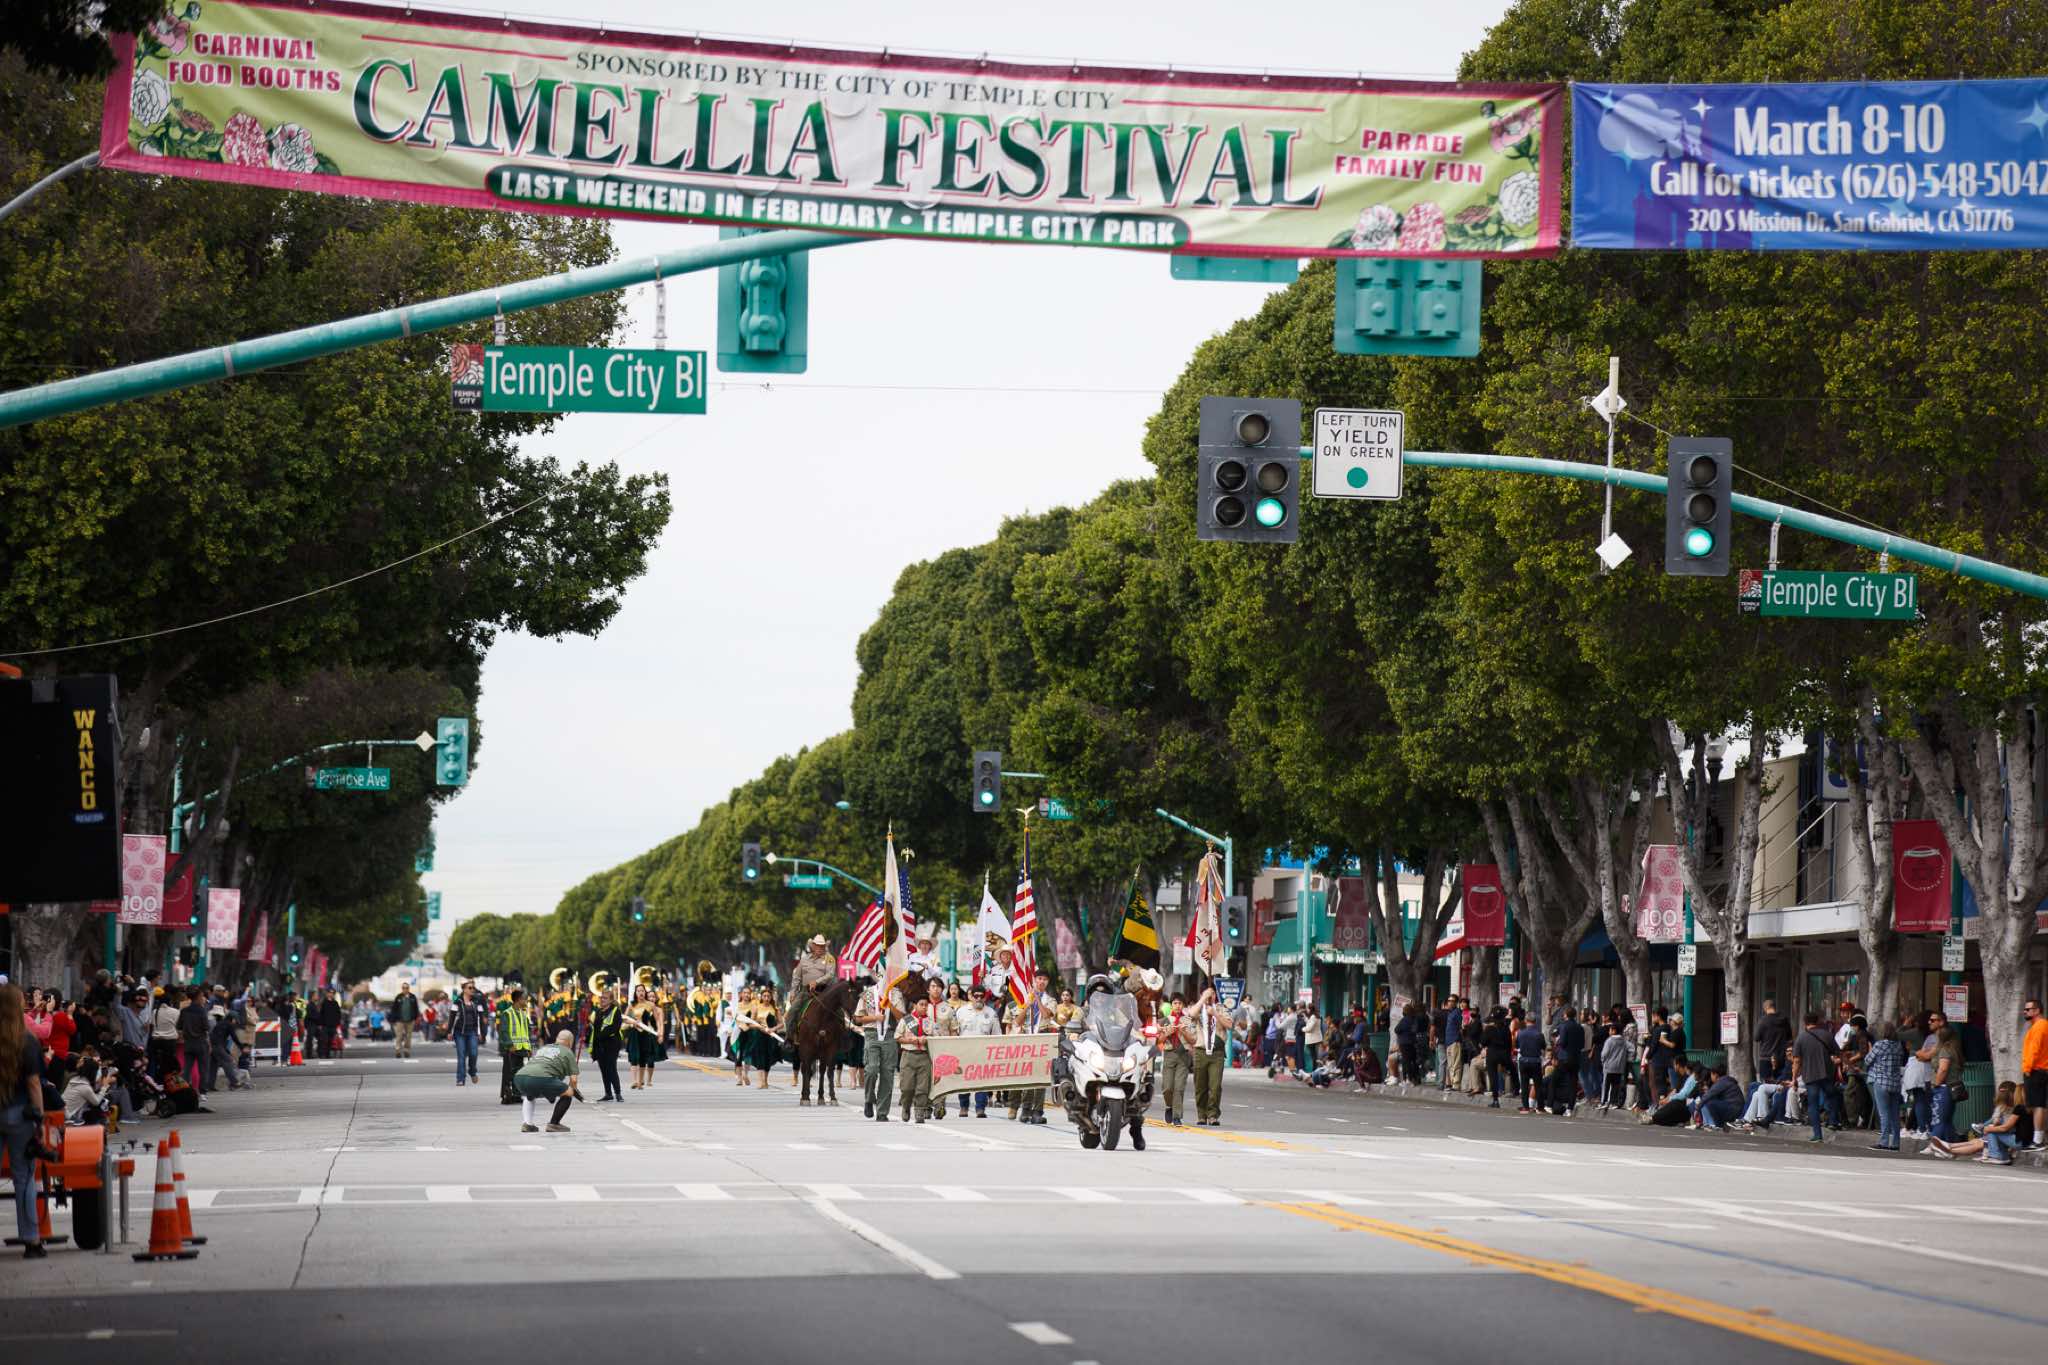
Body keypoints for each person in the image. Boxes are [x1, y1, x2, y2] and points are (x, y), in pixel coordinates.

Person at [2, 984, 52, 1258]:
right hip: (20, 1114)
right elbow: (34, 1084)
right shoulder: (27, 1041)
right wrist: (39, 1120)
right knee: (24, 1178)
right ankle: (31, 1240)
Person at [1924, 1080, 2023, 1164]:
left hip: (2006, 1141)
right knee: (1978, 1141)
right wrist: (1985, 1127)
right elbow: (1997, 1124)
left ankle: (1950, 1150)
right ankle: (1948, 1147)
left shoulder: (2014, 1110)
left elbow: (2005, 1128)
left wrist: (1987, 1127)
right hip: (2004, 1140)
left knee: (1980, 1142)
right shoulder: (2005, 1109)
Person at [513, 1031, 584, 1133]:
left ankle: (528, 1124)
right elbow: (573, 1080)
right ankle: (554, 1124)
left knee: (530, 1094)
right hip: (540, 1078)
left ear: (557, 1039)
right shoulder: (568, 1052)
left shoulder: (544, 1048)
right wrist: (574, 1091)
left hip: (520, 1077)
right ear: (570, 1042)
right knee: (569, 1092)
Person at [1792, 1011, 1841, 1144]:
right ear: (1818, 1021)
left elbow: (1796, 1061)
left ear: (1805, 1022)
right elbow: (1837, 1052)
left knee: (1813, 1104)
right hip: (1826, 1073)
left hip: (1810, 1075)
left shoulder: (1801, 1038)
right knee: (1833, 1095)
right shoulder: (1827, 1035)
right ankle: (1833, 1121)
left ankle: (1817, 1135)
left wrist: (1794, 1078)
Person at [854, 974, 898, 1121]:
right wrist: (875, 1018)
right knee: (871, 1069)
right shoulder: (867, 993)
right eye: (881, 975)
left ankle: (882, 1112)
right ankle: (869, 1098)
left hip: (889, 1035)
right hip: (872, 1034)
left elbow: (901, 1017)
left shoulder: (896, 994)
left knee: (887, 1074)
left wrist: (891, 1005)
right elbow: (858, 1018)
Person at [953, 985, 1000, 1117]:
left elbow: (997, 1035)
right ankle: (964, 1106)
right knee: (964, 1081)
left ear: (985, 997)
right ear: (971, 997)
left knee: (981, 1082)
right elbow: (954, 1032)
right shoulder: (961, 1011)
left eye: (981, 996)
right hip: (964, 1051)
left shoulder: (991, 1013)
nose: (979, 998)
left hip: (983, 1053)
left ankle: (980, 1108)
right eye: (976, 996)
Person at [1865, 1019, 1905, 1151]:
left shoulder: (1879, 1044)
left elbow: (1867, 1060)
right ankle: (1896, 1143)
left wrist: (1870, 1050)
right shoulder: (1898, 1045)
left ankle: (1884, 1141)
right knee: (1894, 1114)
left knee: (1884, 1114)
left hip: (1881, 1081)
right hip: (1895, 1083)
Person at [895, 996, 934, 1123]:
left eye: (926, 1005)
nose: (924, 1007)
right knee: (907, 1087)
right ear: (915, 1005)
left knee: (923, 1087)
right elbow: (898, 1037)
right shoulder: (906, 1020)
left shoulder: (930, 1022)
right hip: (908, 1055)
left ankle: (919, 1111)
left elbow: (936, 1038)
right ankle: (906, 1106)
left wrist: (927, 1039)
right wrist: (910, 1040)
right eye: (921, 1004)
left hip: (924, 1056)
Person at [1928, 1023, 1967, 1142]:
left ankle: (1935, 1144)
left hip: (1943, 1088)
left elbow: (1943, 1069)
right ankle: (1950, 1143)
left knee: (1938, 1119)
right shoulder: (1954, 1049)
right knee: (1947, 1119)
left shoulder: (1945, 1050)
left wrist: (1936, 1083)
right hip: (1952, 1087)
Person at [1157, 996, 1192, 1126]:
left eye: (1180, 1003)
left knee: (1179, 1087)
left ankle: (1177, 1116)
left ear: (1183, 1005)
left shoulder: (1188, 1020)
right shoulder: (1164, 1021)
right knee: (1167, 1087)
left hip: (1183, 1055)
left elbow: (1193, 1040)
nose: (1177, 1005)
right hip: (1169, 1054)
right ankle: (1169, 1106)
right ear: (1171, 1005)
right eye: (1175, 1003)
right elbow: (1158, 1040)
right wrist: (1167, 1033)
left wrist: (1184, 1032)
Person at [497, 987, 534, 1105]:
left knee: (519, 1072)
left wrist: (529, 1048)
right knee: (508, 1072)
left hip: (521, 1048)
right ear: (518, 1000)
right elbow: (503, 1031)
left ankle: (517, 1094)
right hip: (511, 1049)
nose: (526, 1001)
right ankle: (506, 1095)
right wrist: (509, 1045)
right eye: (524, 999)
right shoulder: (507, 1013)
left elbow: (526, 1032)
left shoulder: (523, 1014)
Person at [588, 988, 625, 1102]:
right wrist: (594, 1047)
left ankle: (618, 1093)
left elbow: (615, 1027)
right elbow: (595, 1029)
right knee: (603, 1070)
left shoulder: (615, 1011)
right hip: (600, 1045)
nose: (602, 1000)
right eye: (601, 997)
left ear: (610, 1000)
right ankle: (608, 1093)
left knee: (611, 1068)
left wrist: (602, 1035)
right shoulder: (598, 1011)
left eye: (605, 998)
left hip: (612, 1044)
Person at [448, 981, 488, 1087]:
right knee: (461, 1056)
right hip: (459, 1032)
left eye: (473, 988)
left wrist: (481, 1033)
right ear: (464, 989)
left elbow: (481, 1018)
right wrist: (449, 1031)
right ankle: (460, 1078)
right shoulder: (457, 1002)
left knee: (473, 1054)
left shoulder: (477, 1002)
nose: (472, 990)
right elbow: (452, 1018)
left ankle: (472, 1071)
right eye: (470, 988)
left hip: (472, 1032)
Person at [627, 985, 666, 1091]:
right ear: (635, 993)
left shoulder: (650, 1005)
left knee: (643, 1058)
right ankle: (634, 1081)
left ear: (645, 992)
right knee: (634, 1057)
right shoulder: (632, 1005)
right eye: (638, 991)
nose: (640, 992)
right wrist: (632, 1022)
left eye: (642, 991)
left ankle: (640, 1082)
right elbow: (625, 1018)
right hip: (634, 1033)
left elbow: (657, 1020)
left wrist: (659, 1033)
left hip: (646, 1034)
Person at [2022, 997, 2047, 1151]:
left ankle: (2038, 1141)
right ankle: (2039, 1138)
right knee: (2039, 1104)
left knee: (2038, 1105)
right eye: (2024, 1009)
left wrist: (2027, 1068)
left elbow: (2034, 1050)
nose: (2024, 1012)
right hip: (2039, 1070)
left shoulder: (2039, 1026)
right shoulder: (2039, 1026)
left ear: (2037, 1010)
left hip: (2036, 1070)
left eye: (2028, 1009)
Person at [1513, 1010, 1546, 1113]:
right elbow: (1543, 1047)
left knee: (1524, 1084)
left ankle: (1525, 1107)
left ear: (1526, 1020)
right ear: (1535, 1021)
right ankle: (1540, 1107)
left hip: (1523, 1060)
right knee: (1538, 1085)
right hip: (1535, 1061)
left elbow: (1517, 1045)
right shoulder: (1539, 1034)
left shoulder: (1520, 1033)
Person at [1754, 997, 1791, 1082]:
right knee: (1780, 1082)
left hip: (1766, 1057)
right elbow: (1789, 1037)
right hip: (1781, 1057)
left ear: (1766, 1008)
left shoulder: (1763, 1020)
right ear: (1774, 1007)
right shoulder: (1784, 1020)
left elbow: (1756, 1038)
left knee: (1766, 1084)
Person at [389, 982, 421, 1059]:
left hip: (410, 1020)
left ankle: (406, 1051)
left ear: (409, 988)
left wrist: (417, 1017)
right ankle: (398, 1050)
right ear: (402, 988)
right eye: (404, 988)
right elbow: (394, 1008)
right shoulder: (398, 997)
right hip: (399, 1020)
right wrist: (393, 1019)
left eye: (406, 988)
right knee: (399, 1036)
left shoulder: (412, 997)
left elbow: (416, 1008)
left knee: (408, 1036)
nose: (405, 989)